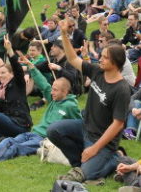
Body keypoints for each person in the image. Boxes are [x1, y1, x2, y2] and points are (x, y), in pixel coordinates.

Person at [48, 19, 131, 183]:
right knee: (53, 131)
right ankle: (80, 162)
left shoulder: (122, 89)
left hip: (103, 141)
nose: (100, 59)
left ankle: (115, 159)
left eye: (105, 58)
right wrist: (64, 34)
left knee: (88, 176)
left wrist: (94, 149)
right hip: (84, 127)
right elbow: (72, 59)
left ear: (115, 63)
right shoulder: (97, 71)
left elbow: (118, 124)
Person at [0, 57, 81, 165]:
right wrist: (32, 67)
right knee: (9, 141)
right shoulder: (54, 100)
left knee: (17, 147)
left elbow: (79, 126)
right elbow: (44, 85)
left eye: (55, 90)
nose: (51, 92)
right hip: (32, 133)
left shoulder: (70, 106)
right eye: (52, 89)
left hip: (44, 139)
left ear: (65, 92)